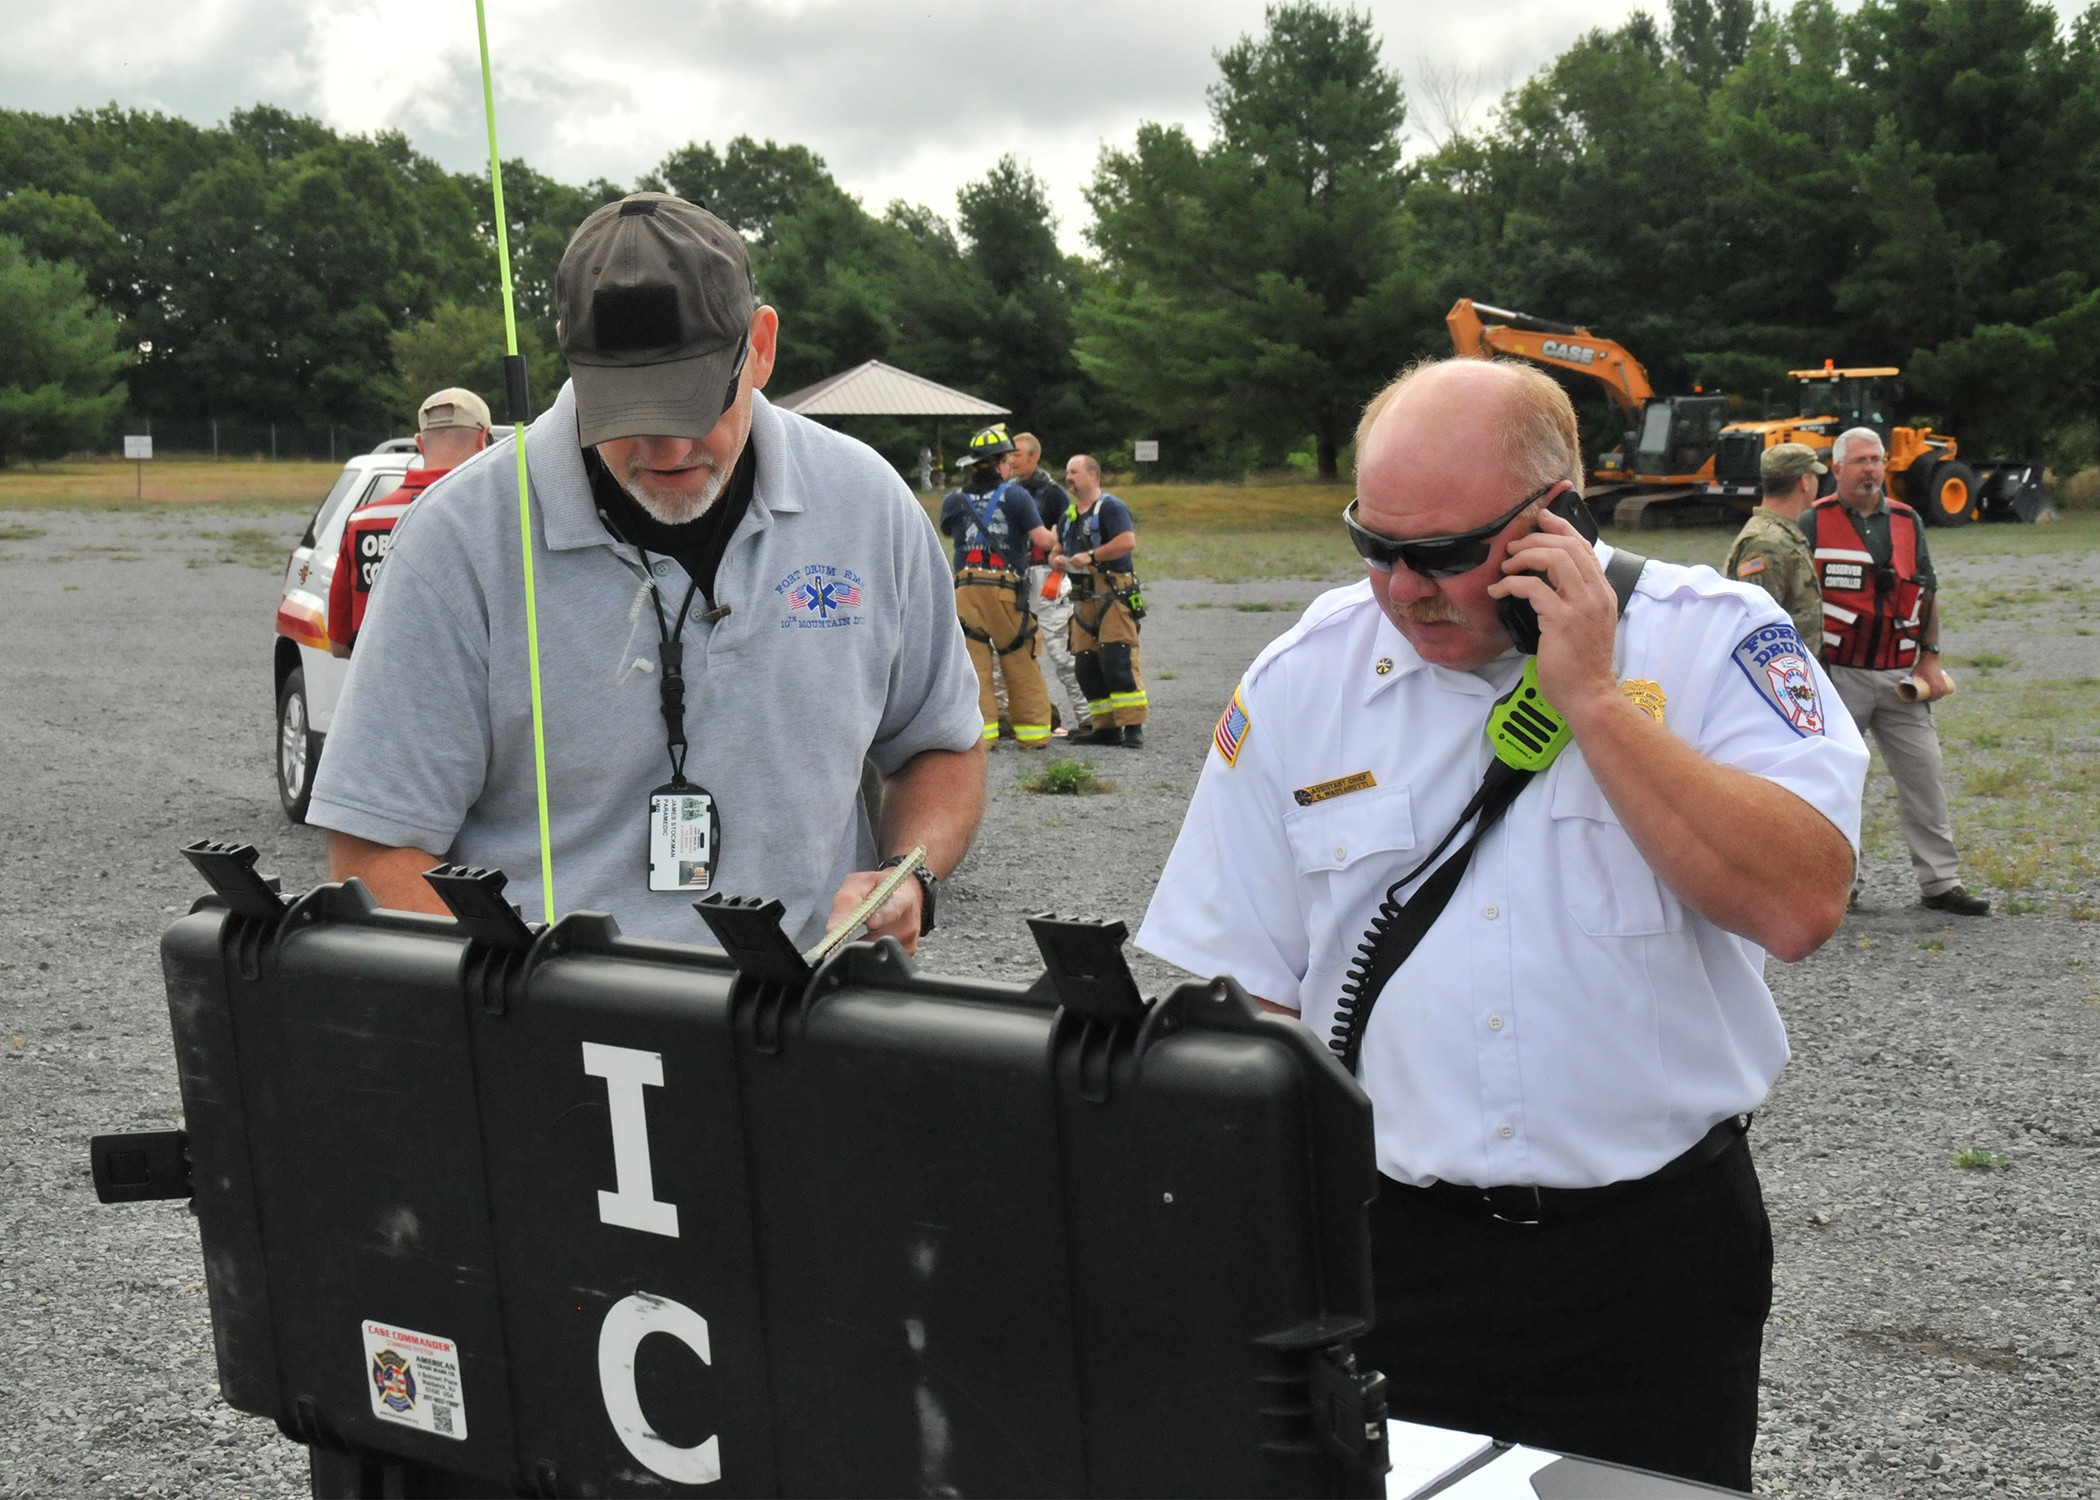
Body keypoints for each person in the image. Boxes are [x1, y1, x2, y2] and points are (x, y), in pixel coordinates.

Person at [1135, 358, 1867, 1491]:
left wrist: (1591, 697)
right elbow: (1253, 991)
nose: (1401, 587)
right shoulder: (1303, 680)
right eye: (1372, 546)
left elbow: (1800, 902)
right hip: (1391, 1257)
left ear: (1558, 522)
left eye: (1441, 554)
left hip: (1650, 1256)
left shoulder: (1714, 639)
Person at [308, 192, 983, 953]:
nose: (666, 450)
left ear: (760, 347)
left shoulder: (869, 506)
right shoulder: (457, 539)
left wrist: (907, 873)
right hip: (561, 1042)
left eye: (695, 403)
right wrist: (525, 1005)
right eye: (627, 410)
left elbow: (940, 744)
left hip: (806, 1021)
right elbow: (373, 851)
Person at [1802, 427, 1988, 916]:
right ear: (1837, 469)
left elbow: (1927, 591)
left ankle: (1941, 883)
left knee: (1926, 780)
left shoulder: (1908, 520)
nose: (1871, 470)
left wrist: (1931, 657)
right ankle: (1841, 886)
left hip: (1900, 676)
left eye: (1877, 460)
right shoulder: (1812, 524)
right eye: (1861, 461)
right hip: (1840, 676)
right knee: (1837, 785)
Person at [326, 388, 492, 657]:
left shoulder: (361, 521)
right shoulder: (492, 516)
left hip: (374, 694)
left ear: (419, 443)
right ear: (483, 438)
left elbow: (339, 644)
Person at [938, 424, 1058, 748]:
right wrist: (1060, 535)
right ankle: (1033, 735)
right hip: (1004, 591)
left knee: (975, 666)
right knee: (1019, 657)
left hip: (964, 591)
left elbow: (950, 532)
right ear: (1001, 463)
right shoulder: (1016, 495)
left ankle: (982, 736)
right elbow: (1041, 540)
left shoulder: (955, 498)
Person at [1052, 455, 1147, 748]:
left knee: (1117, 660)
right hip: (1082, 599)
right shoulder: (1068, 515)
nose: (1068, 477)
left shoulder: (1111, 508)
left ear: (1092, 475)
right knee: (1086, 666)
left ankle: (1132, 727)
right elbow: (1056, 547)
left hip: (1112, 595)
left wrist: (1091, 556)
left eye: (1074, 472)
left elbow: (1127, 542)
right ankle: (1105, 728)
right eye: (1067, 472)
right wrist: (1055, 559)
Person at [1008, 432, 1088, 730]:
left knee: (1060, 652)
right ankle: (1014, 717)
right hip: (1015, 578)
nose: (1012, 459)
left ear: (1034, 457)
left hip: (1045, 576)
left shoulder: (1053, 494)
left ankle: (1089, 717)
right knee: (1010, 649)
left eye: (1018, 453)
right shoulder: (1007, 491)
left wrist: (1059, 565)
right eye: (1009, 455)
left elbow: (1069, 533)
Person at [1723, 442, 1824, 643]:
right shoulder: (1766, 543)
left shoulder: (1779, 534)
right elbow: (1759, 628)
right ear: (1804, 481)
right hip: (1780, 670)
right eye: (1815, 475)